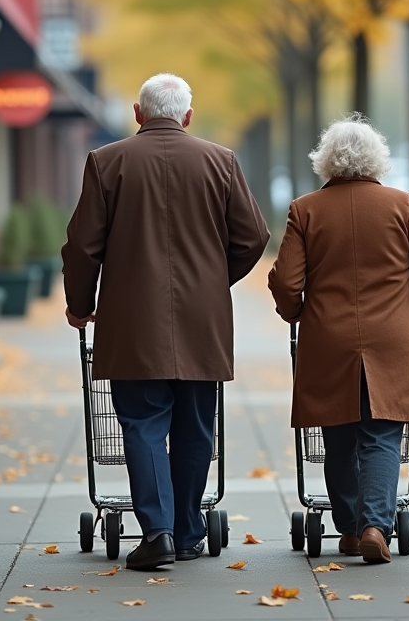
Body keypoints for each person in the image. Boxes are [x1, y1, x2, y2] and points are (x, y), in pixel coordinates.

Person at [62, 73, 270, 571]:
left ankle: (155, 530)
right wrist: (214, 281)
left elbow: (82, 245)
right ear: (188, 116)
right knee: (197, 427)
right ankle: (187, 531)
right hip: (203, 322)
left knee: (141, 423)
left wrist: (80, 303)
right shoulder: (221, 161)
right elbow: (254, 236)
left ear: (138, 113)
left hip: (133, 322)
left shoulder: (106, 162)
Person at [268, 116, 409, 564]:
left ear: (326, 161)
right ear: (376, 159)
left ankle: (349, 528)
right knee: (383, 435)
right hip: (393, 338)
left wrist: (295, 313)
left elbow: (288, 282)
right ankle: (375, 527)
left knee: (340, 438)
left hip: (328, 339)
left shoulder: (304, 209)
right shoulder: (401, 205)